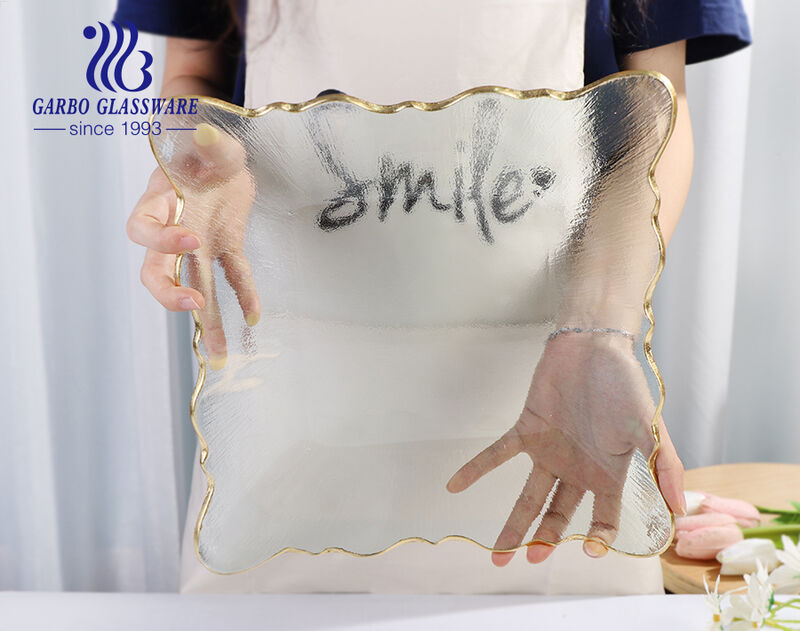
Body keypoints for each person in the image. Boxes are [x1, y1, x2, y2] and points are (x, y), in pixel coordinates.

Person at [120, 0, 751, 593]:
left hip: (560, 404)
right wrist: (198, 151)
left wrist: (600, 331)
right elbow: (193, 72)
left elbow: (654, 117)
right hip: (285, 417)